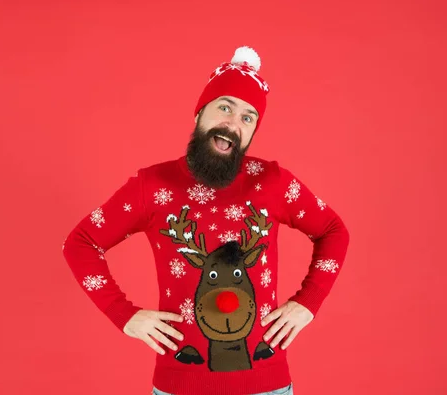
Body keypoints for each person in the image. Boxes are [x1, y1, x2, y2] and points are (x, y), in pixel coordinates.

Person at [62, 46, 350, 395]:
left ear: (253, 132)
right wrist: (124, 315)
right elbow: (80, 243)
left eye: (247, 118)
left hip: (267, 386)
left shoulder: (272, 181)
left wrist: (309, 302)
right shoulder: (151, 186)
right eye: (225, 108)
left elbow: (334, 231)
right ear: (200, 112)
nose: (233, 124)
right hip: (179, 386)